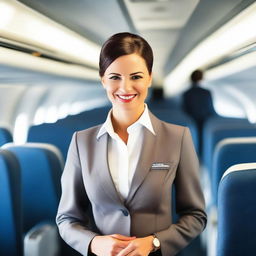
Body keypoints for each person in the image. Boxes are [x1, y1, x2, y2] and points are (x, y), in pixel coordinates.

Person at [56, 32, 207, 256]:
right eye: (115, 77)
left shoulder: (178, 137)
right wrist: (93, 243)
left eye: (136, 77)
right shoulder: (81, 142)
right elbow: (67, 218)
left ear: (149, 78)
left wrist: (155, 243)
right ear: (103, 80)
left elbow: (196, 216)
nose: (125, 88)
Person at [182, 70, 216, 152]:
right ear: (201, 78)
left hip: (191, 120)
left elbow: (184, 109)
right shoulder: (207, 92)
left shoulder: (186, 93)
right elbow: (211, 109)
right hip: (205, 120)